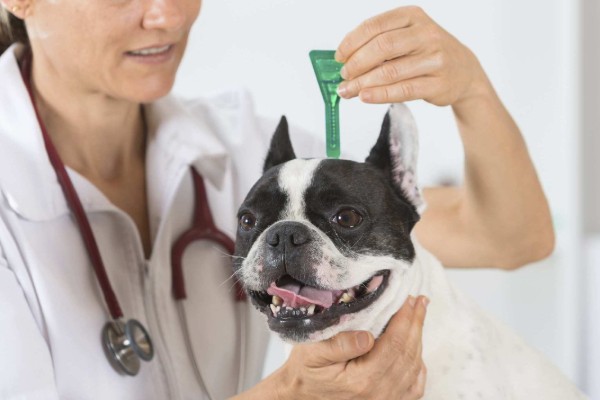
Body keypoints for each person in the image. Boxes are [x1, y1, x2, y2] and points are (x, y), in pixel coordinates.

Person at [0, 1, 553, 399]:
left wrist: (470, 91)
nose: (167, 15)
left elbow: (510, 238)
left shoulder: (246, 151)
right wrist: (290, 393)